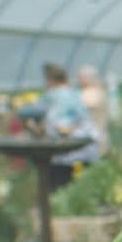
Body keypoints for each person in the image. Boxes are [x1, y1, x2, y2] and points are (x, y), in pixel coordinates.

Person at [33, 62, 100, 190]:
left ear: (50, 80)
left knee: (60, 189)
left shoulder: (53, 96)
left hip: (66, 155)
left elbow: (61, 128)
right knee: (82, 189)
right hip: (86, 151)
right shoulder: (75, 94)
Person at [77, 64, 110, 156]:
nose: (79, 81)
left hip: (91, 139)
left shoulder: (91, 93)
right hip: (99, 136)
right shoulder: (100, 91)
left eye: (80, 78)